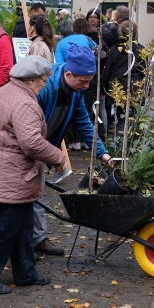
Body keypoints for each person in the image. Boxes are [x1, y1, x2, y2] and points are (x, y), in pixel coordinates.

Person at [0, 55, 66, 294]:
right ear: (32, 79)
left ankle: (26, 272)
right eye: (44, 81)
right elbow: (32, 143)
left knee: (23, 226)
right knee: (3, 229)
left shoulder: (2, 93)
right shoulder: (25, 103)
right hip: (10, 174)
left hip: (2, 170)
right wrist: (57, 157)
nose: (45, 85)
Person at [34, 45, 114, 255]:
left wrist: (102, 153)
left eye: (89, 81)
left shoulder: (75, 92)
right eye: (83, 81)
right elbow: (27, 124)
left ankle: (35, 238)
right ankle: (34, 239)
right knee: (33, 192)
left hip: (45, 145)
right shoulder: (45, 87)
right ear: (68, 74)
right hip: (30, 145)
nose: (86, 87)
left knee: (37, 192)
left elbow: (84, 124)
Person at [102, 21, 147, 132]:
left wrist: (104, 88)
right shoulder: (141, 49)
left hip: (118, 87)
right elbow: (145, 70)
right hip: (135, 87)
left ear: (120, 32)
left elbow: (107, 70)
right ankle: (129, 142)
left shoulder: (115, 49)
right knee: (131, 117)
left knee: (121, 117)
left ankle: (120, 141)